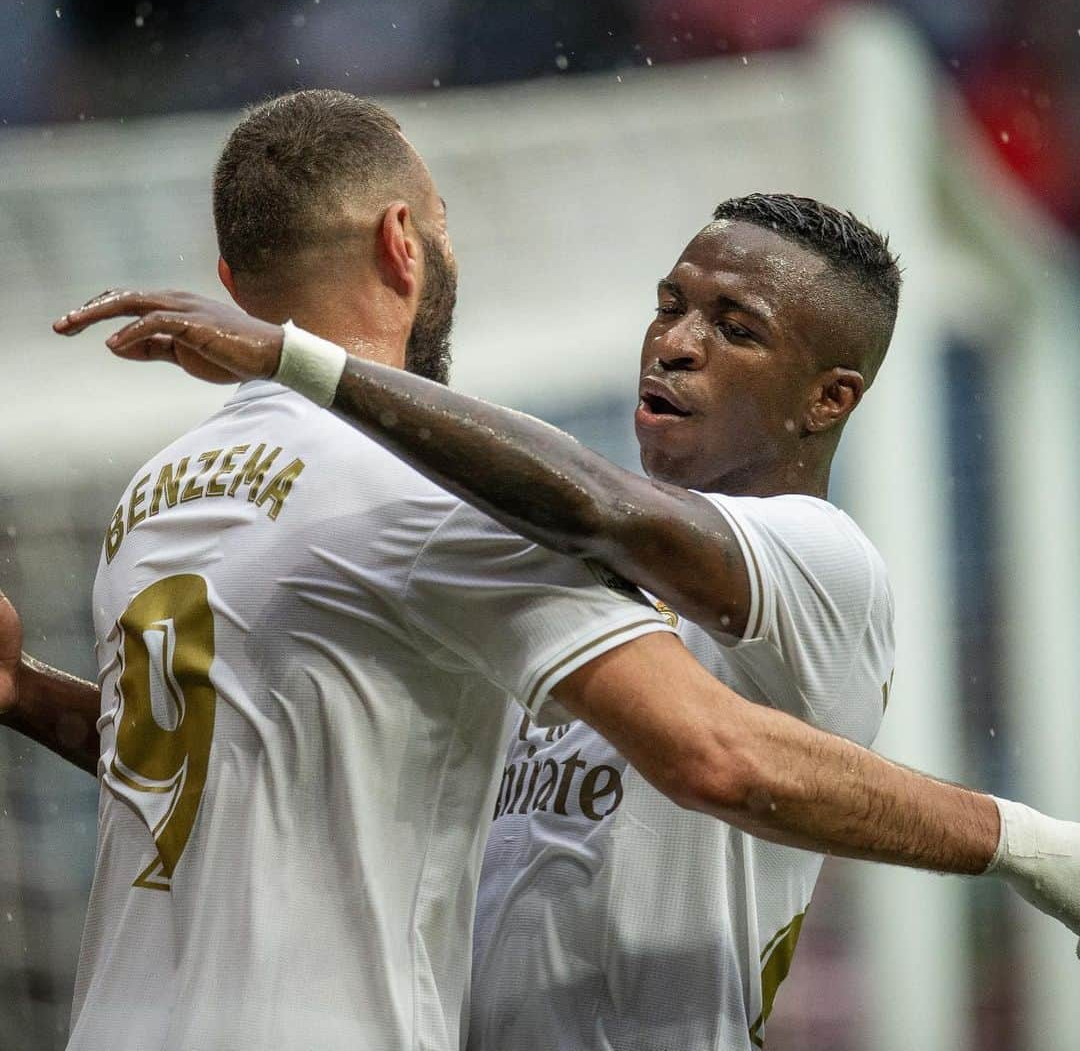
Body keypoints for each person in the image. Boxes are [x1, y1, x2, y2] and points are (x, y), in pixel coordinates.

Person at [5, 94, 1078, 1048]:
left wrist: (300, 361)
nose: (674, 342)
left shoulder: (819, 561)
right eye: (669, 303)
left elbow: (695, 704)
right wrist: (30, 695)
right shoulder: (502, 554)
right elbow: (273, 756)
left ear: (827, 399)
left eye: (733, 326)